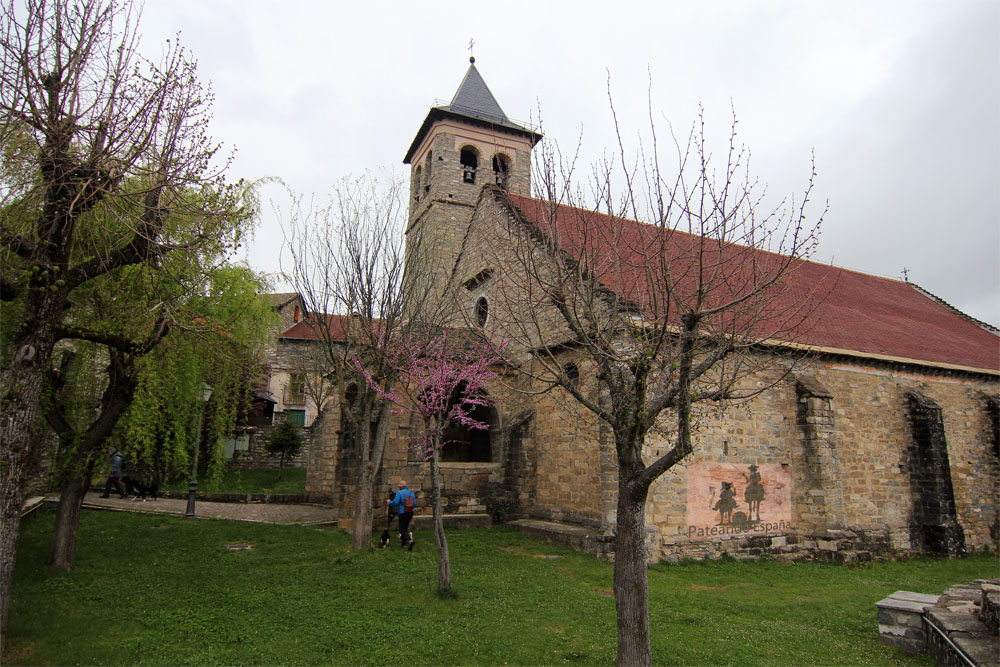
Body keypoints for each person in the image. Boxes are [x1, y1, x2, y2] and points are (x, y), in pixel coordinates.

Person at [387, 480, 416, 550]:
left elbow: (395, 502)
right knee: (405, 528)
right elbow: (414, 504)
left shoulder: (399, 493)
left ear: (400, 486)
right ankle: (404, 543)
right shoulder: (412, 493)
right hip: (411, 512)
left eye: (399, 486)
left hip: (403, 513)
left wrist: (389, 502)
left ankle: (409, 540)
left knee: (402, 529)